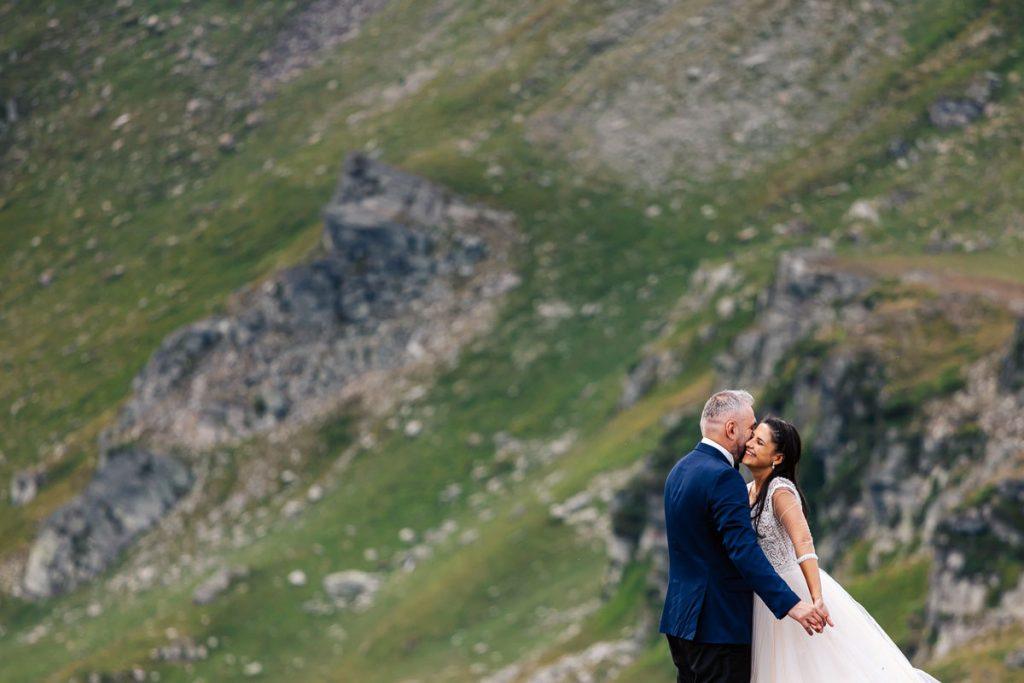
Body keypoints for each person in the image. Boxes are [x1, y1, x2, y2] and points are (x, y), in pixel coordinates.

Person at [742, 416, 940, 682]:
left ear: (777, 458)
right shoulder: (747, 491)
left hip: (792, 588)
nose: (750, 444)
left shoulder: (780, 491)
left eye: (759, 441)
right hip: (764, 596)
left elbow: (803, 541)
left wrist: (816, 597)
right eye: (752, 437)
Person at [659, 390, 829, 683]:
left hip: (680, 620)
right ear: (731, 429)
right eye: (750, 428)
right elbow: (743, 550)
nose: (750, 438)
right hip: (718, 625)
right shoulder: (724, 478)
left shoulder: (679, 470)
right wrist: (792, 604)